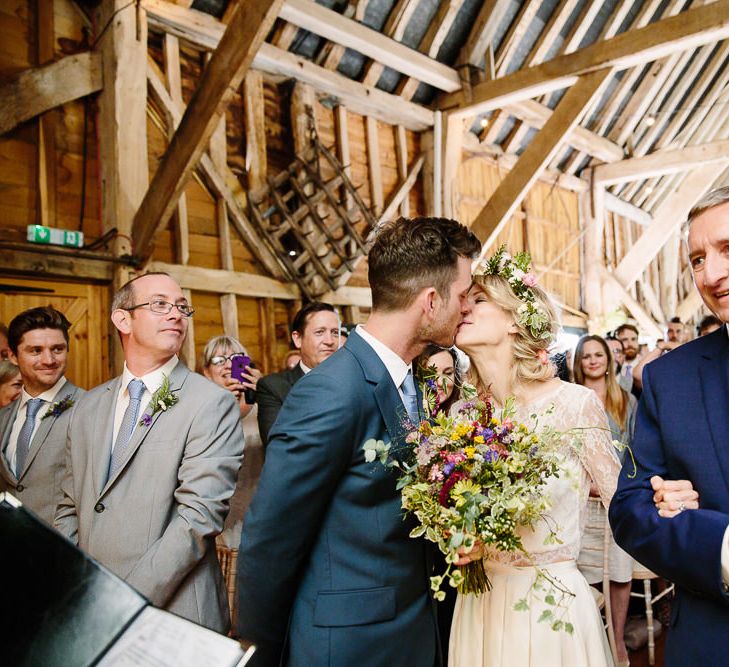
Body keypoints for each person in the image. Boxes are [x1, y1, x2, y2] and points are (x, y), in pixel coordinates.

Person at [237, 216, 481, 666]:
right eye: (463, 295)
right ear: (430, 301)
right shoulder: (330, 392)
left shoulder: (414, 381)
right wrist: (258, 660)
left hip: (410, 632)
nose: (467, 307)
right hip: (350, 647)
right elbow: (270, 543)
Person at [450, 249, 620, 667]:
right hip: (480, 602)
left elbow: (625, 504)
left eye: (479, 299)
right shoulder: (461, 416)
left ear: (514, 319)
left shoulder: (574, 404)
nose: (464, 308)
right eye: (464, 299)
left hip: (550, 606)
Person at [54, 272, 244, 633]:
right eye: (160, 305)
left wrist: (122, 600)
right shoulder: (87, 407)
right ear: (122, 319)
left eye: (182, 307)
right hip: (91, 606)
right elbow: (69, 505)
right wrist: (75, 586)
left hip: (176, 611)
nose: (176, 314)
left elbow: (198, 516)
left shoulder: (210, 403)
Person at [610, 186, 729, 665]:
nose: (712, 274)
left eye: (727, 250)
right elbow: (631, 508)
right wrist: (718, 546)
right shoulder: (670, 378)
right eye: (697, 260)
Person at [573, 334, 637, 666]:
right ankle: (592, 639)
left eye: (599, 354)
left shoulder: (626, 400)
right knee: (582, 572)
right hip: (583, 500)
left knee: (620, 570)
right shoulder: (570, 398)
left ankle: (619, 641)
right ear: (579, 363)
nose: (594, 360)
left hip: (618, 499)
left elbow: (637, 451)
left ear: (608, 361)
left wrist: (617, 485)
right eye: (587, 356)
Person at [0, 307, 84, 525]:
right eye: (35, 351)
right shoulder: (3, 417)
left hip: (64, 549)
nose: (49, 360)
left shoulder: (90, 408)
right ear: (12, 356)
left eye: (57, 349)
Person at [200, 335, 263, 548]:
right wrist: (222, 403)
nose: (228, 366)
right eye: (219, 361)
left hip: (262, 513)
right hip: (218, 520)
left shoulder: (263, 406)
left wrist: (266, 392)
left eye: (236, 359)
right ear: (206, 372)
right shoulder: (200, 411)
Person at [255, 301, 340, 445]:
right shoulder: (274, 387)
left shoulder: (354, 381)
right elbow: (278, 445)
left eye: (335, 333)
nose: (329, 341)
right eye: (320, 332)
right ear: (298, 339)